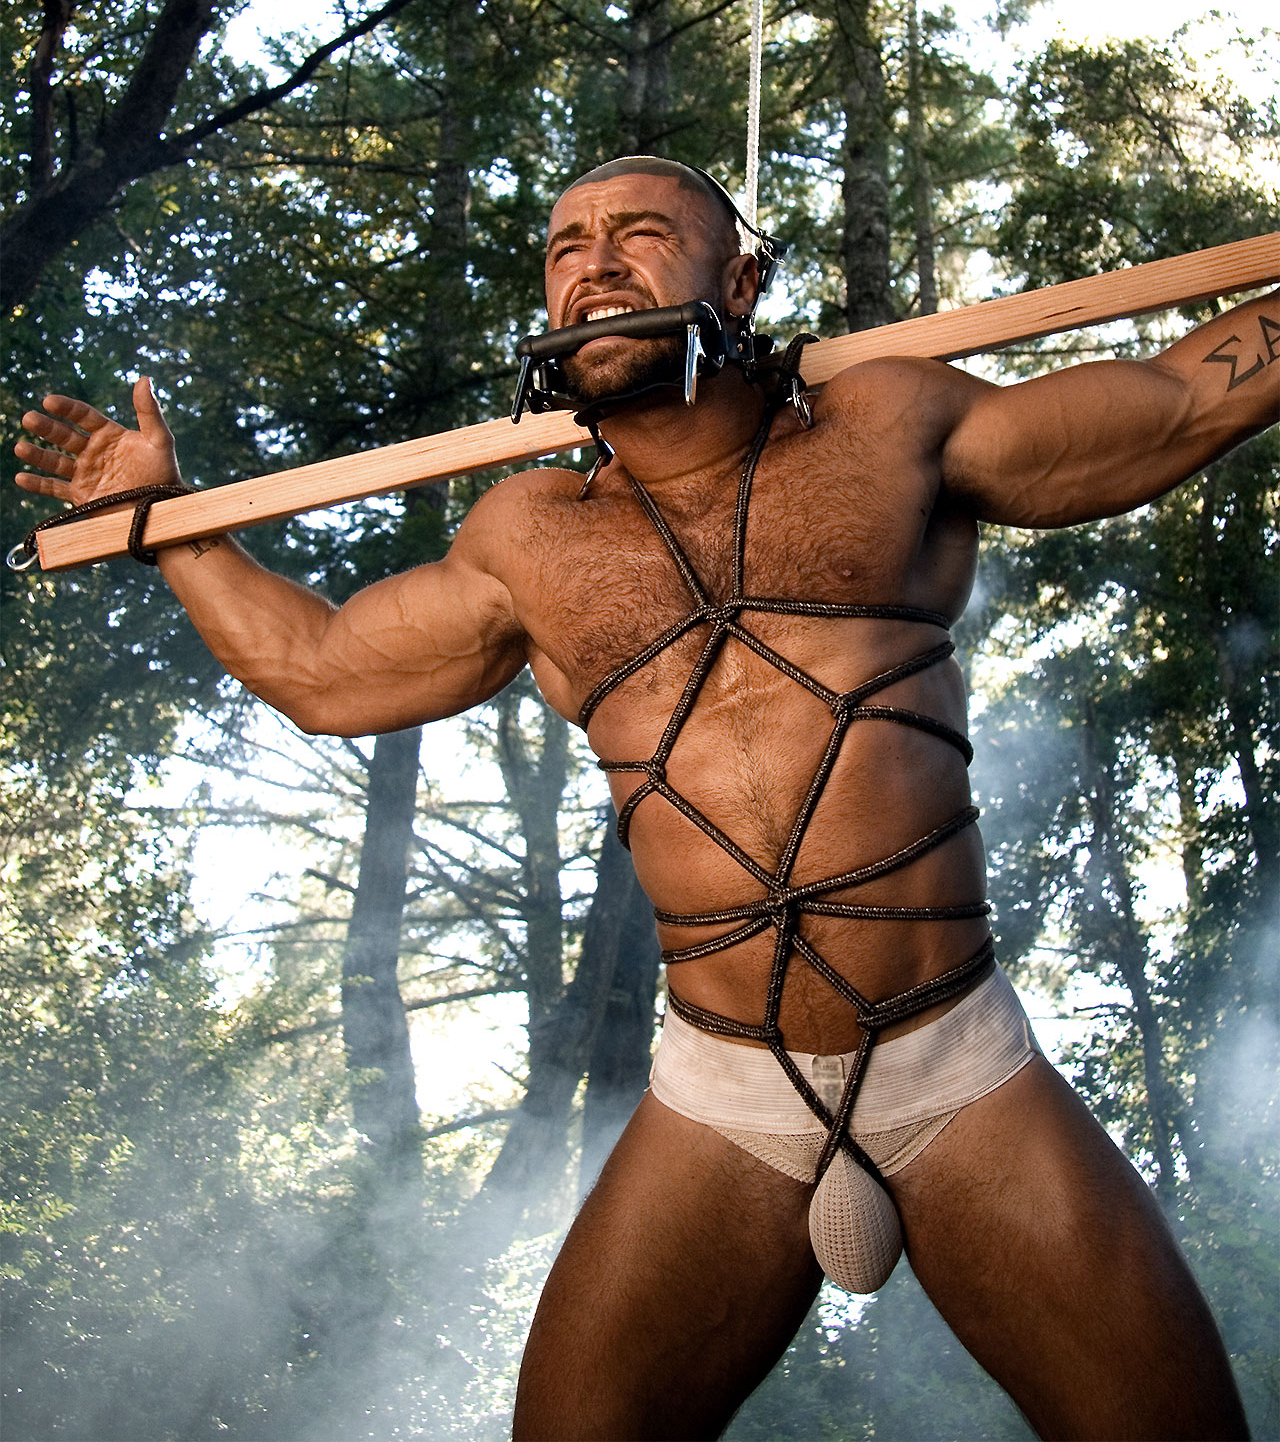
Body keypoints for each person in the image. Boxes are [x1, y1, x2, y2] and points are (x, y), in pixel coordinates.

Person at [14, 156, 1276, 1442]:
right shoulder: (529, 538)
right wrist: (164, 523)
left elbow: (1180, 403)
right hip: (722, 1100)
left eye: (638, 233)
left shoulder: (886, 423)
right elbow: (319, 670)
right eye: (566, 245)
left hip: (954, 1065)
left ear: (739, 280)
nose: (594, 263)